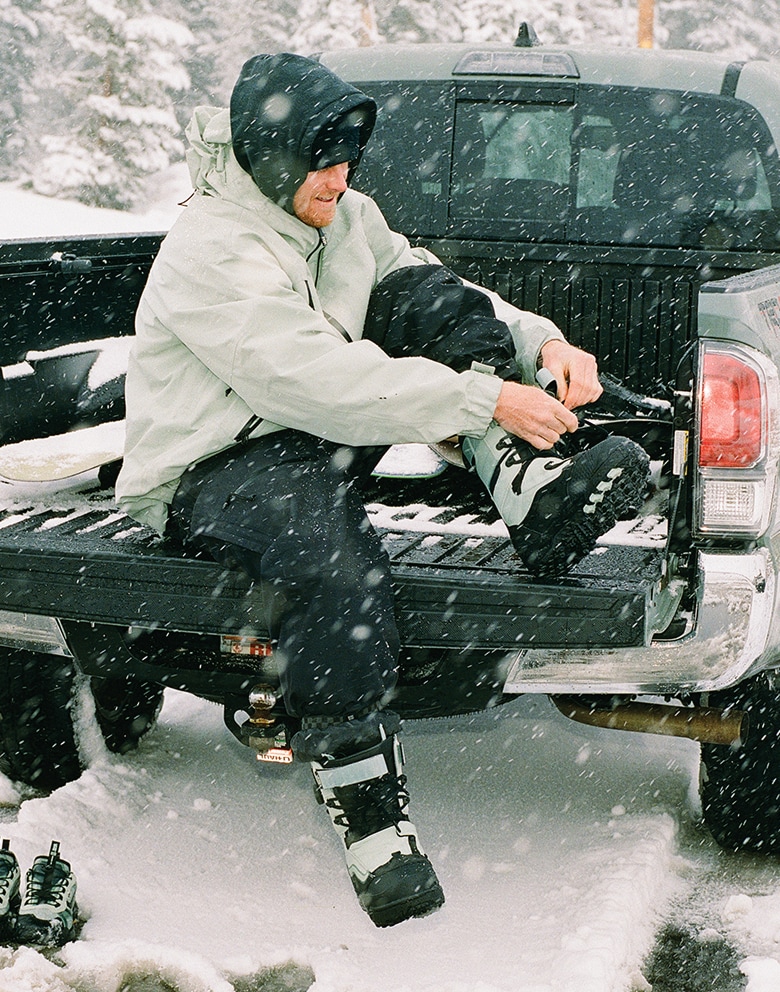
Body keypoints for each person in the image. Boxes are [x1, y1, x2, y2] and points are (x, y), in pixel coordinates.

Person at [115, 53, 649, 928]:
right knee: (337, 570)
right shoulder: (213, 247)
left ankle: (530, 493)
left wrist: (540, 346)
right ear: (274, 155)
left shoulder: (343, 216)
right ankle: (373, 828)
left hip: (318, 440)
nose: (343, 178)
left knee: (425, 296)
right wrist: (486, 398)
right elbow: (310, 379)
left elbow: (432, 284)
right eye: (324, 161)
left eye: (349, 159)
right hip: (220, 468)